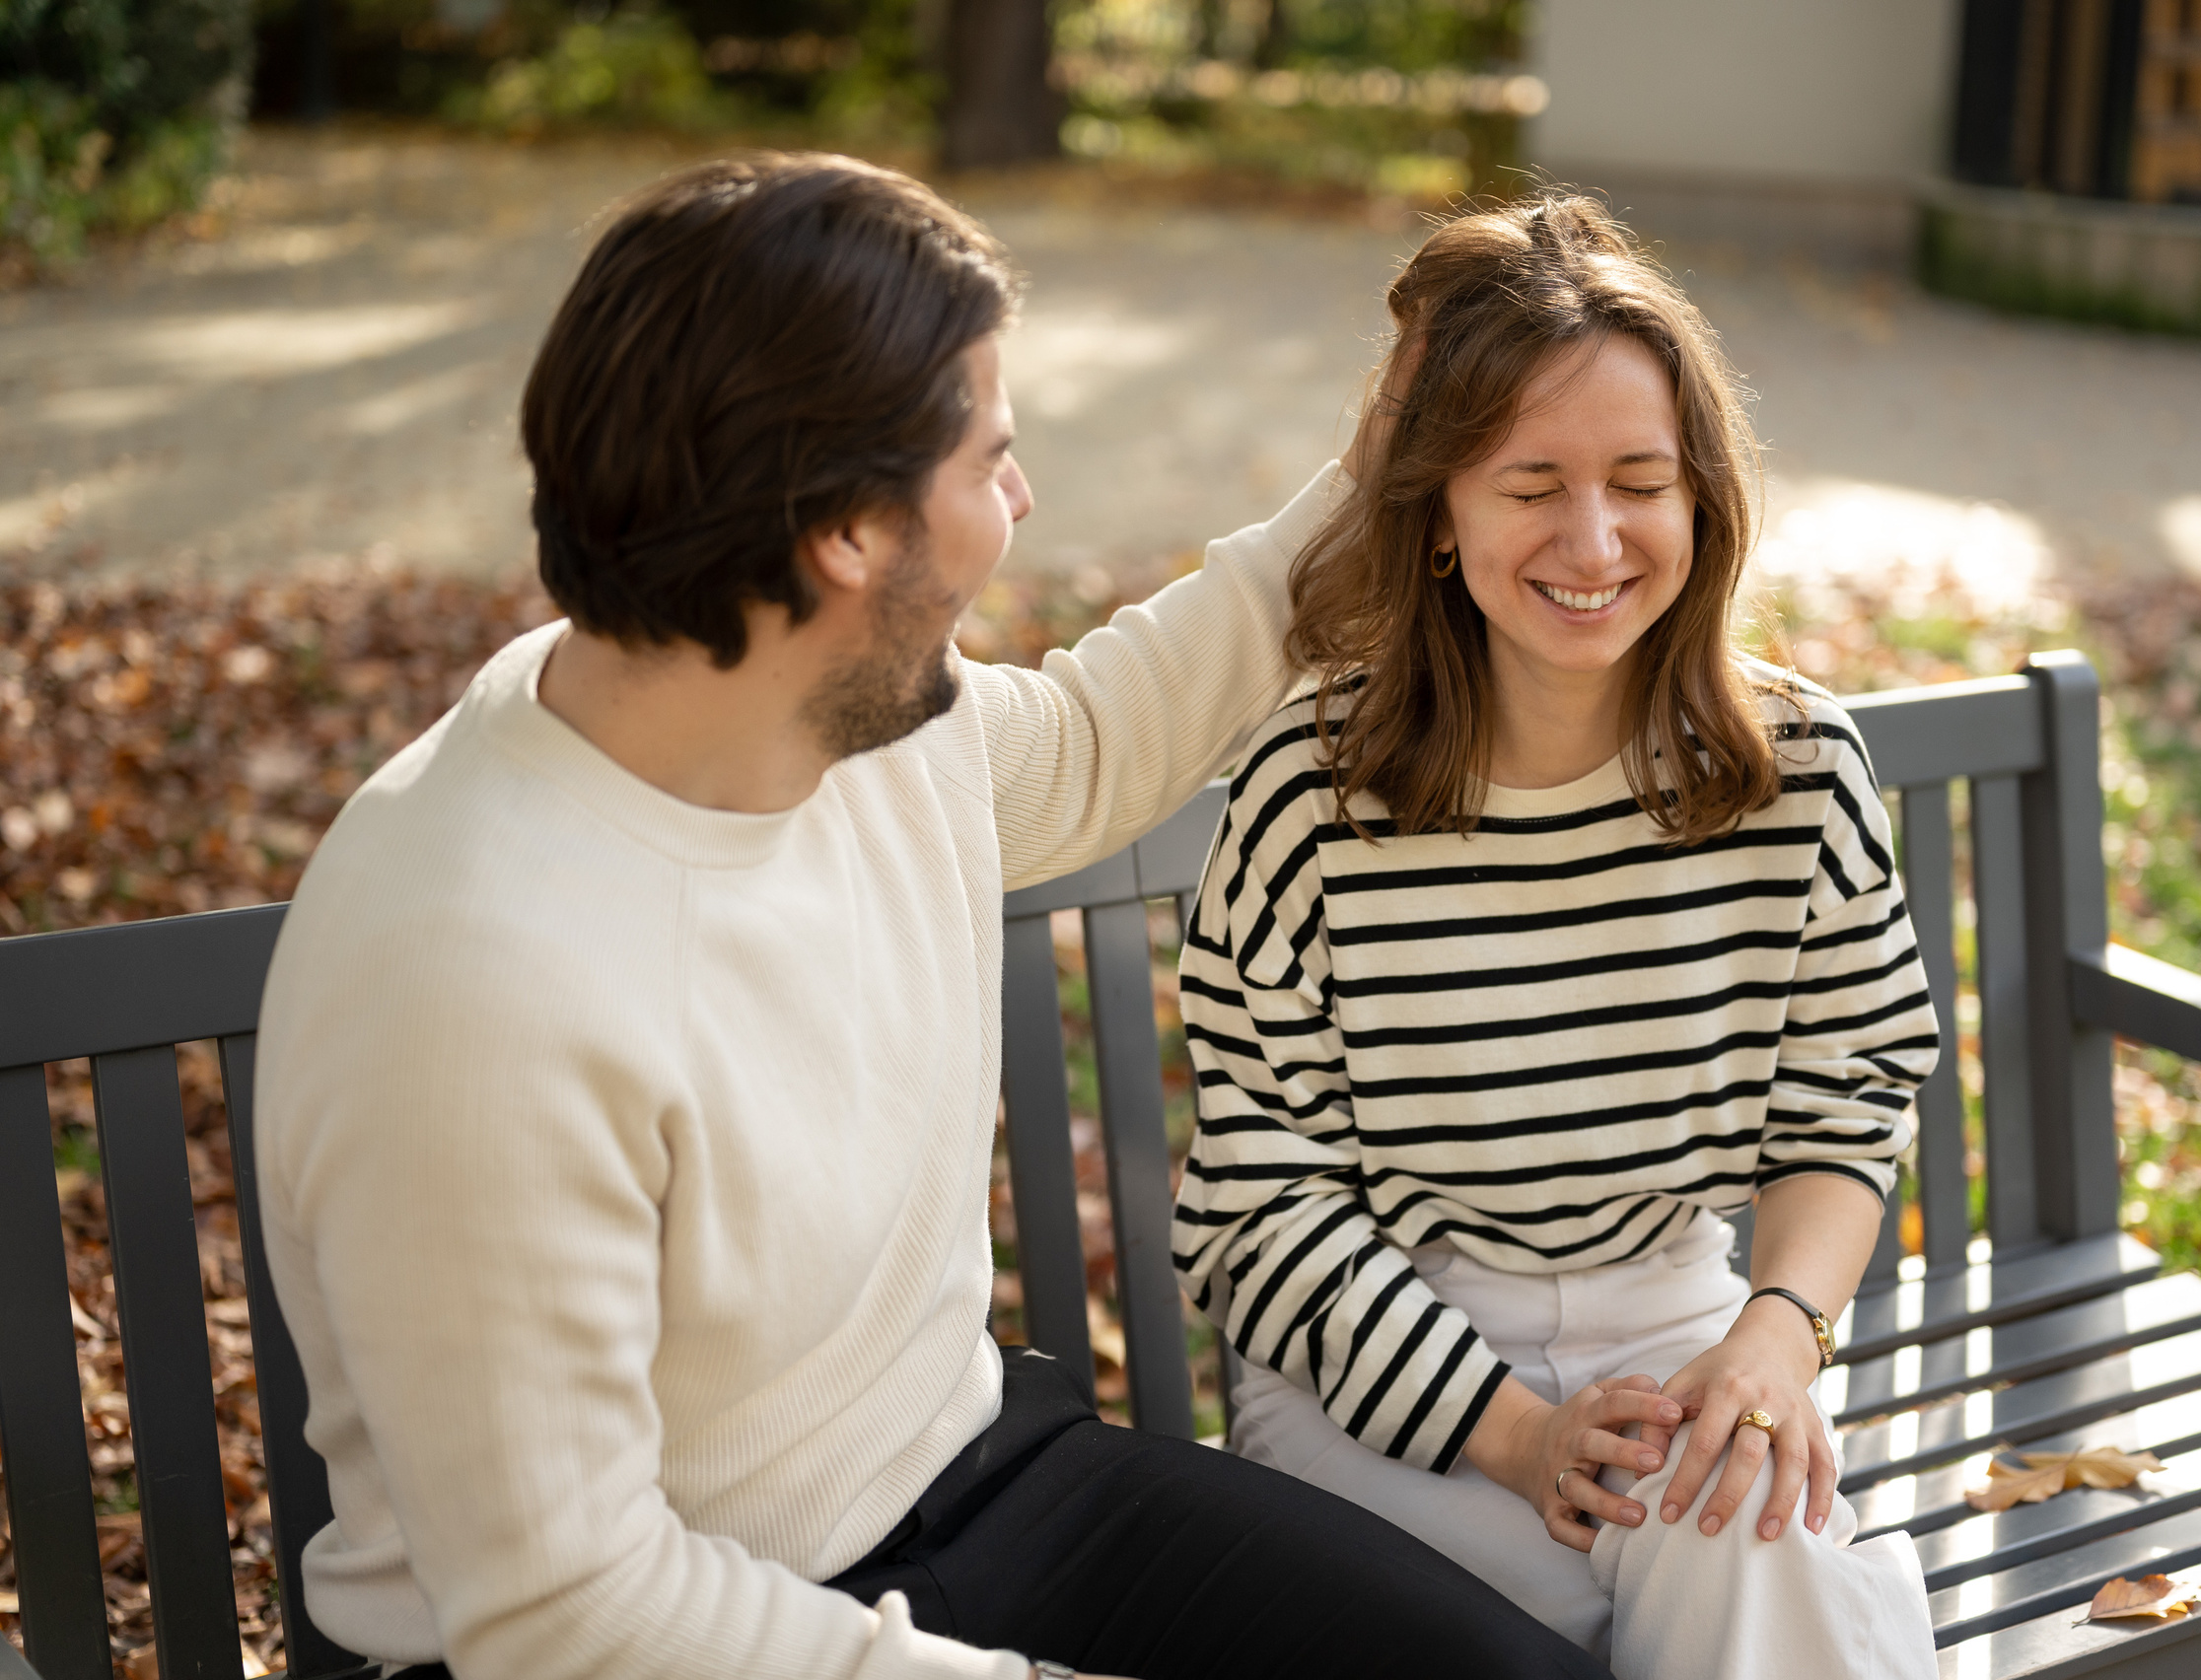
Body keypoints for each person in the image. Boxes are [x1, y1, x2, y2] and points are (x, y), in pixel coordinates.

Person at [254, 153, 1613, 1680]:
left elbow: (1103, 744)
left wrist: (1382, 469)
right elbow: (567, 1610)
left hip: (970, 1485)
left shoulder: (859, 726)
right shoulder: (466, 972)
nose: (1018, 503)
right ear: (846, 529)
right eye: (991, 459)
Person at [1171, 192, 1944, 1680]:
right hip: (1381, 1378)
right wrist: (1521, 1438)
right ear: (1442, 515)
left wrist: (1775, 1338)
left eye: (1639, 481)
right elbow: (1263, 1206)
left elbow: (1851, 1098)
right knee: (1512, 1634)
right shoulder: (1308, 797)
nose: (1594, 540)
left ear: (1701, 500)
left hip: (1683, 1321)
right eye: (1532, 483)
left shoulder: (1797, 769)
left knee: (1743, 1550)